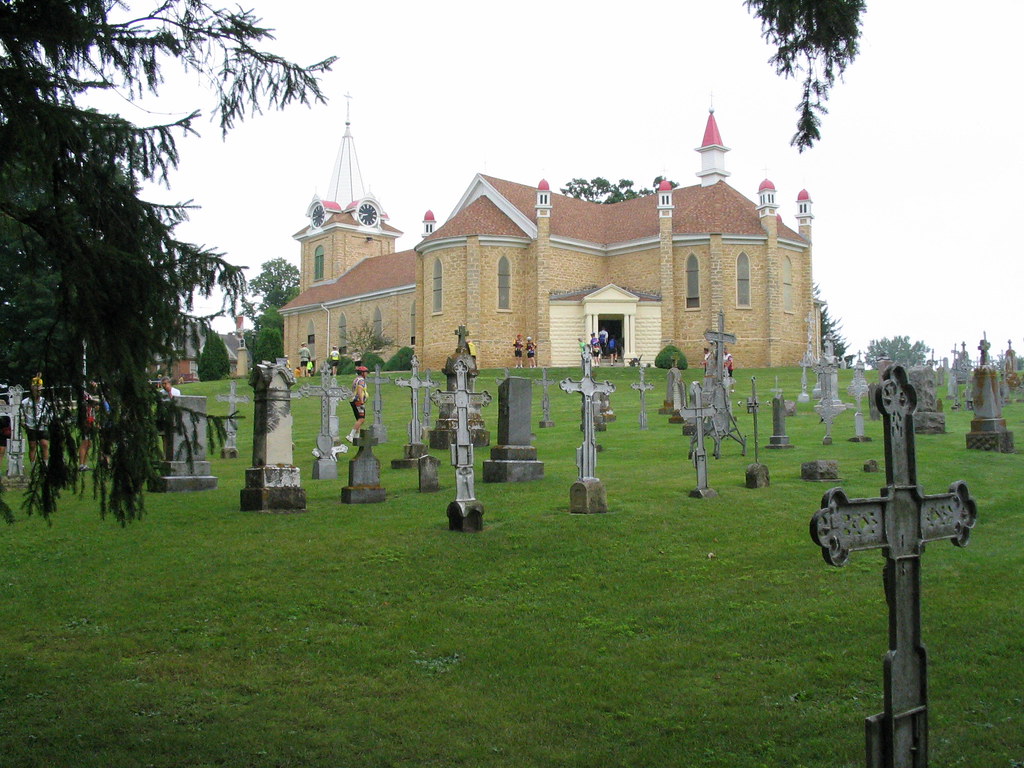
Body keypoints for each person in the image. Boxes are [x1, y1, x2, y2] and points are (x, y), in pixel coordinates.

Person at [21, 385, 52, 465]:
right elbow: (21, 414)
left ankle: (45, 464)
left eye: (40, 390)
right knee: (32, 446)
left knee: (44, 444)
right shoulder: (25, 402)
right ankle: (33, 465)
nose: (39, 392)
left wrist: (47, 421)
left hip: (42, 426)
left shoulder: (44, 401)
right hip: (31, 427)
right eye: (37, 390)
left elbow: (49, 412)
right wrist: (24, 423)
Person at [78, 382, 100, 471]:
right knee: (85, 442)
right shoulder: (86, 395)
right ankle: (81, 464)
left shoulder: (89, 395)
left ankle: (85, 464)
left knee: (89, 443)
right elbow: (88, 404)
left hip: (90, 421)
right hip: (86, 422)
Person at [346, 365, 369, 442]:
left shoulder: (356, 379)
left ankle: (356, 436)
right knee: (362, 419)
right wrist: (362, 400)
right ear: (362, 373)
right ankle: (351, 435)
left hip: (353, 400)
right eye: (366, 372)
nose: (367, 374)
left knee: (358, 419)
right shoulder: (361, 380)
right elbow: (359, 389)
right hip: (358, 401)